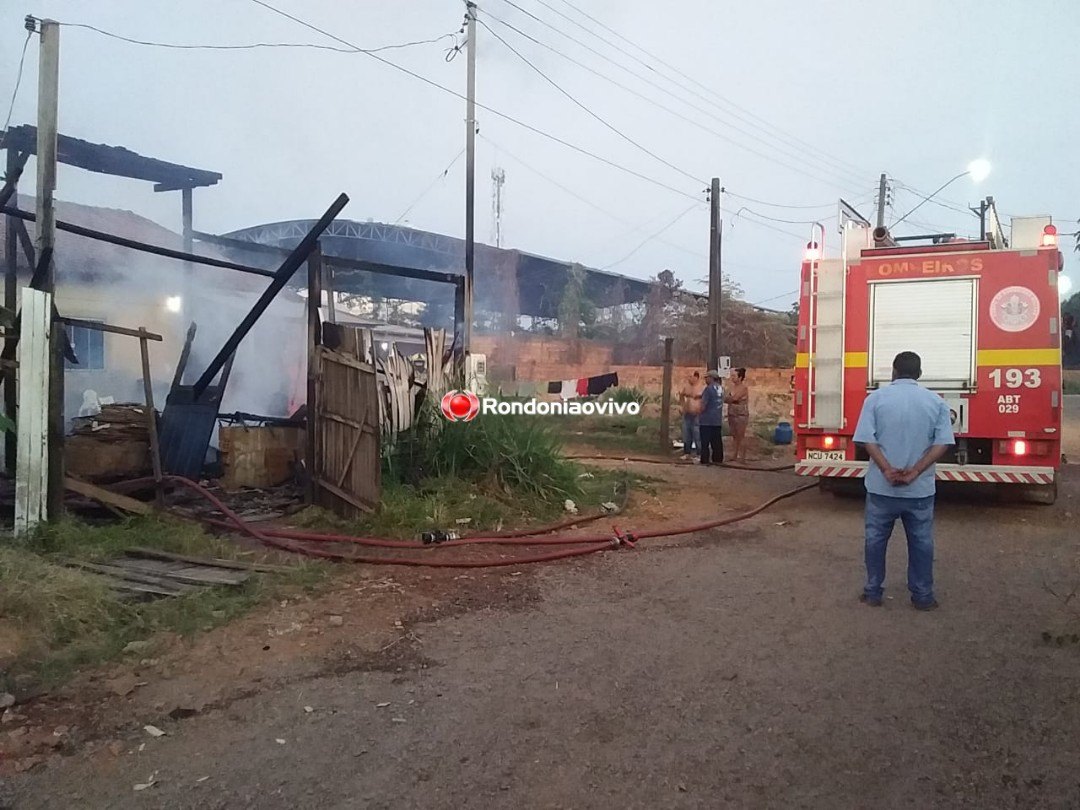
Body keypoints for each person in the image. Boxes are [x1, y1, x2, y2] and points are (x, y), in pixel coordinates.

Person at [853, 351, 954, 611]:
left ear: (894, 372)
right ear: (919, 374)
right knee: (921, 543)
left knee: (875, 541)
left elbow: (867, 439)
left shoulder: (875, 399)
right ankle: (922, 596)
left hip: (881, 488)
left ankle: (873, 591)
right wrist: (915, 472)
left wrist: (886, 469)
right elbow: (942, 443)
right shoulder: (936, 402)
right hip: (919, 491)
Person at [698, 370, 725, 466]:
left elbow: (703, 405)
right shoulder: (721, 389)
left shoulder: (708, 389)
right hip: (717, 420)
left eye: (707, 377)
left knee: (705, 442)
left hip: (706, 420)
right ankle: (718, 459)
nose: (705, 379)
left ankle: (705, 459)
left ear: (711, 378)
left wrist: (698, 412)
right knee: (717, 441)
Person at [726, 368, 750, 463]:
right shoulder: (731, 387)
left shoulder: (743, 388)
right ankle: (734, 455)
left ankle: (742, 457)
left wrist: (731, 398)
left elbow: (735, 398)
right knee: (734, 435)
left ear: (740, 377)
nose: (732, 378)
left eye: (734, 376)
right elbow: (725, 398)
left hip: (741, 414)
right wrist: (730, 398)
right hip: (732, 413)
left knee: (741, 436)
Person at [679, 371, 704, 459]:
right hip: (687, 413)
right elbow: (681, 395)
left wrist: (701, 409)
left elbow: (705, 399)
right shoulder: (687, 387)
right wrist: (682, 406)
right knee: (687, 434)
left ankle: (699, 453)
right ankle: (687, 452)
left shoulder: (702, 387)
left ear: (696, 377)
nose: (689, 379)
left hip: (697, 414)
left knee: (697, 434)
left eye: (691, 377)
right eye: (688, 377)